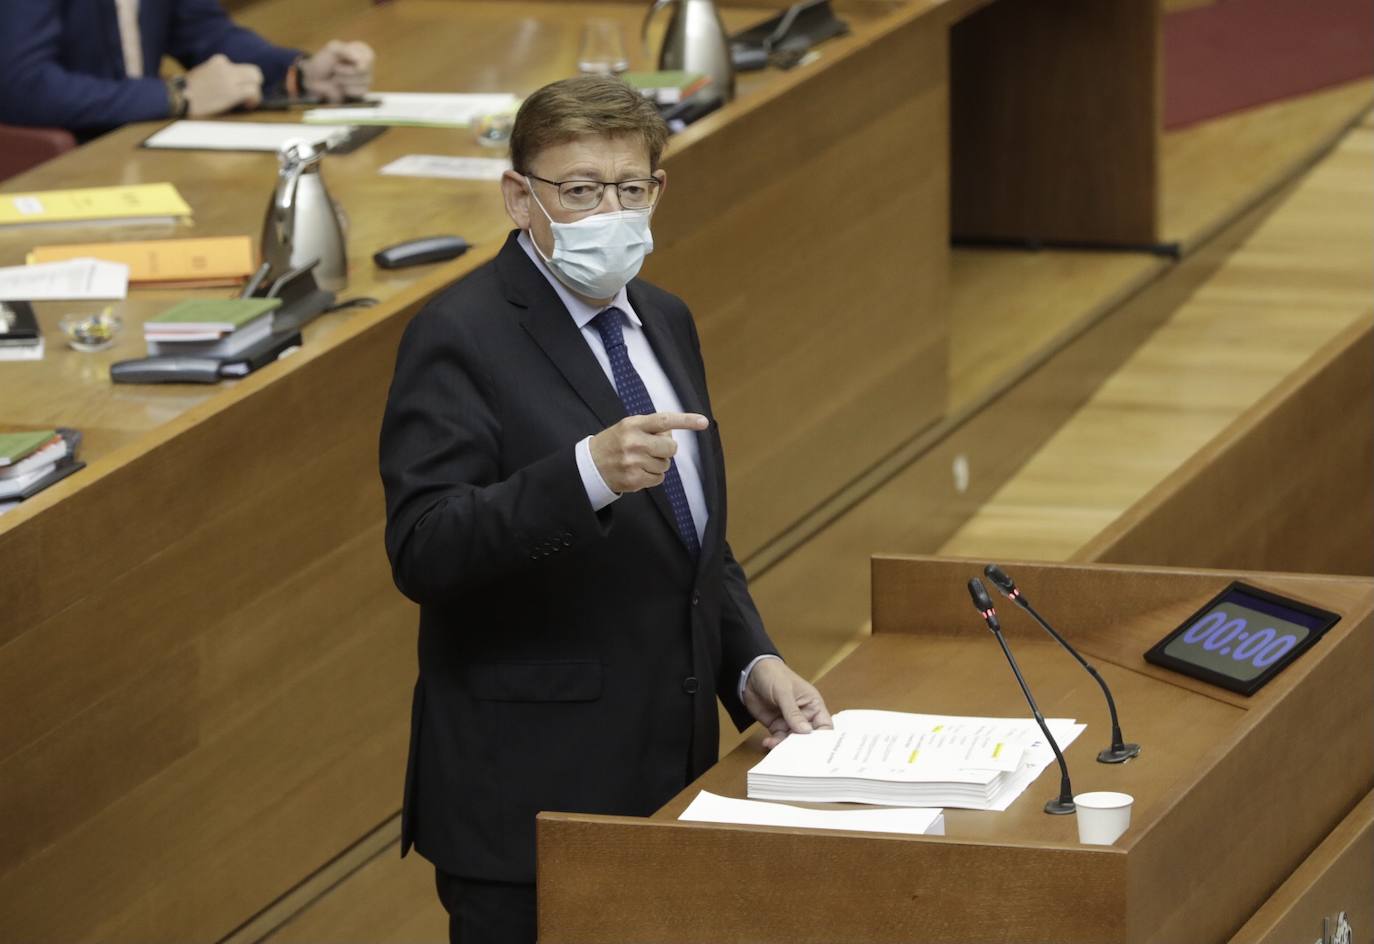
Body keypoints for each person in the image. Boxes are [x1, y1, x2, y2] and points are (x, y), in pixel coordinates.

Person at [379, 74, 833, 944]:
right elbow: (425, 548)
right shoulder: (461, 334)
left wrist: (752, 667)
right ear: (521, 197)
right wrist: (583, 473)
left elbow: (692, 538)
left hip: (669, 779)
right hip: (529, 808)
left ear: (657, 192)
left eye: (629, 190)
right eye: (580, 191)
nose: (608, 213)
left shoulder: (664, 319)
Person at [0, 0, 374, 138]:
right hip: (55, 173)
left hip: (135, 147)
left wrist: (299, 73)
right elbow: (20, 86)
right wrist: (176, 96)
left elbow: (204, 32)